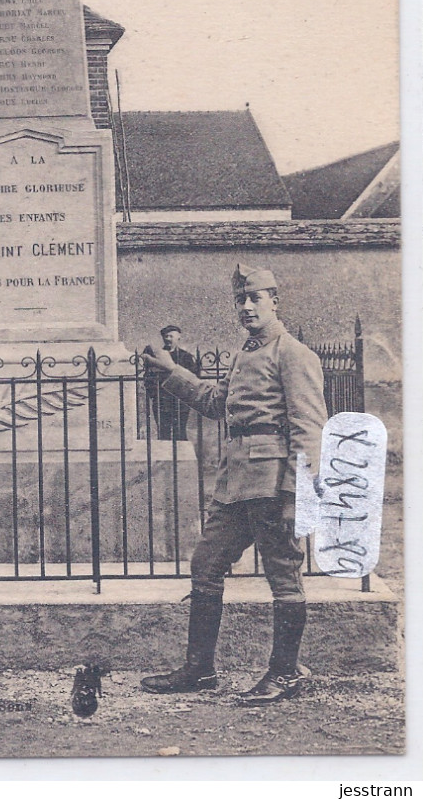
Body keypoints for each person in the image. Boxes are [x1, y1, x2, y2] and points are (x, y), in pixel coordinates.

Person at [140, 266, 326, 706]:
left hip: (273, 484)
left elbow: (309, 428)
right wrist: (170, 371)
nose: (246, 307)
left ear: (274, 301)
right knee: (206, 565)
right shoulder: (246, 354)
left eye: (255, 298)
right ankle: (200, 670)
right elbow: (214, 403)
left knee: (282, 574)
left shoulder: (293, 353)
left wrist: (295, 494)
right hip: (235, 483)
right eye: (240, 300)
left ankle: (285, 674)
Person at [143, 324, 197, 440]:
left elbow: (194, 378)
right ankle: (164, 457)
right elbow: (148, 377)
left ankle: (182, 457)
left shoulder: (186, 357)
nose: (168, 339)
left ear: (178, 338)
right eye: (166, 336)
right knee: (163, 432)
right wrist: (154, 395)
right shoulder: (157, 356)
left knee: (180, 431)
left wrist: (187, 395)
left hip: (181, 401)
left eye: (171, 336)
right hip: (162, 400)